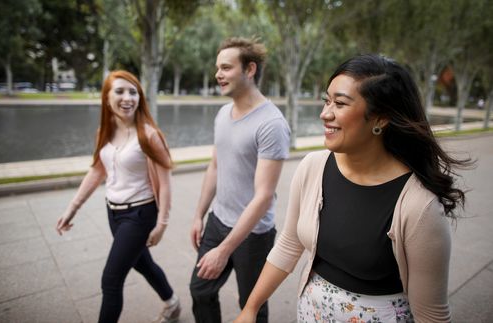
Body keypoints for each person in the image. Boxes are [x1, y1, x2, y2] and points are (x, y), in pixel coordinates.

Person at [235, 54, 472, 323]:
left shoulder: (420, 206)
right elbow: (289, 244)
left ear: (380, 118)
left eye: (340, 103)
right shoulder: (313, 167)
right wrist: (250, 309)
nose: (325, 113)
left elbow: (432, 315)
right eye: (327, 100)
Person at [56, 70, 181, 323]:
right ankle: (172, 303)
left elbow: (166, 183)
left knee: (111, 280)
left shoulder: (149, 135)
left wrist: (162, 224)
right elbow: (97, 170)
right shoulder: (105, 131)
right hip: (113, 212)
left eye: (133, 92)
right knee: (142, 263)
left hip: (141, 213)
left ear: (140, 97)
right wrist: (73, 207)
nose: (127, 98)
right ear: (106, 98)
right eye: (120, 91)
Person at [189, 37, 290, 323]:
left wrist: (224, 250)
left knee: (252, 306)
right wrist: (198, 215)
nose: (218, 74)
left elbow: (264, 196)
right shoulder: (222, 114)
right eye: (217, 68)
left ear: (249, 69)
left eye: (226, 67)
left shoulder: (271, 124)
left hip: (254, 235)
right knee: (200, 291)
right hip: (217, 221)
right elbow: (215, 166)